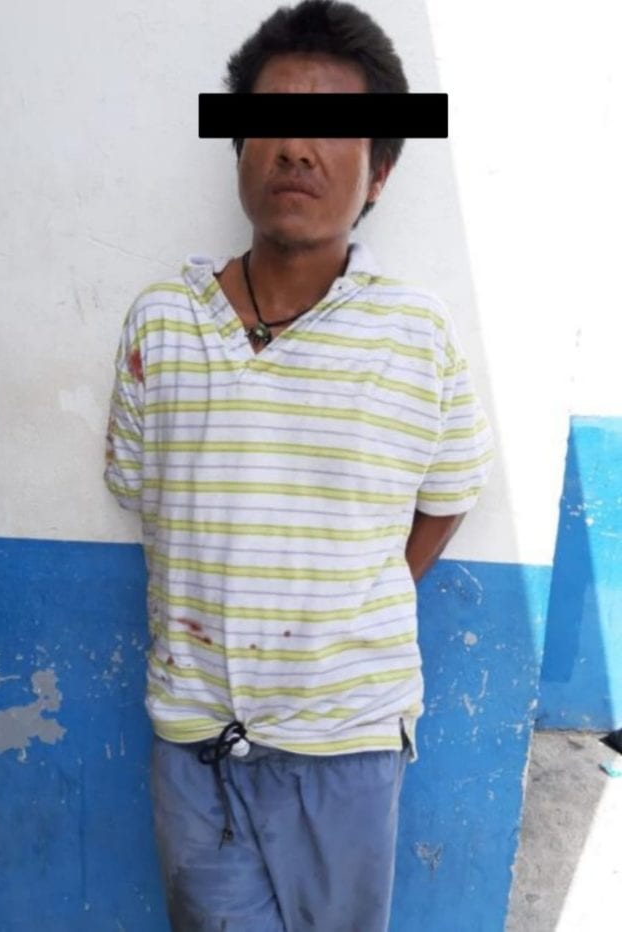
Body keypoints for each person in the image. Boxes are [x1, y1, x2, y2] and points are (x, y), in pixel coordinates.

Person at [104, 1, 494, 929]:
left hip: (349, 745)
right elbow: (142, 491)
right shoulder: (163, 321)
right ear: (239, 147)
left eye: (331, 128)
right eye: (272, 122)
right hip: (197, 741)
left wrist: (352, 601)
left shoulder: (415, 333)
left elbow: (449, 495)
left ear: (379, 170)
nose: (295, 150)